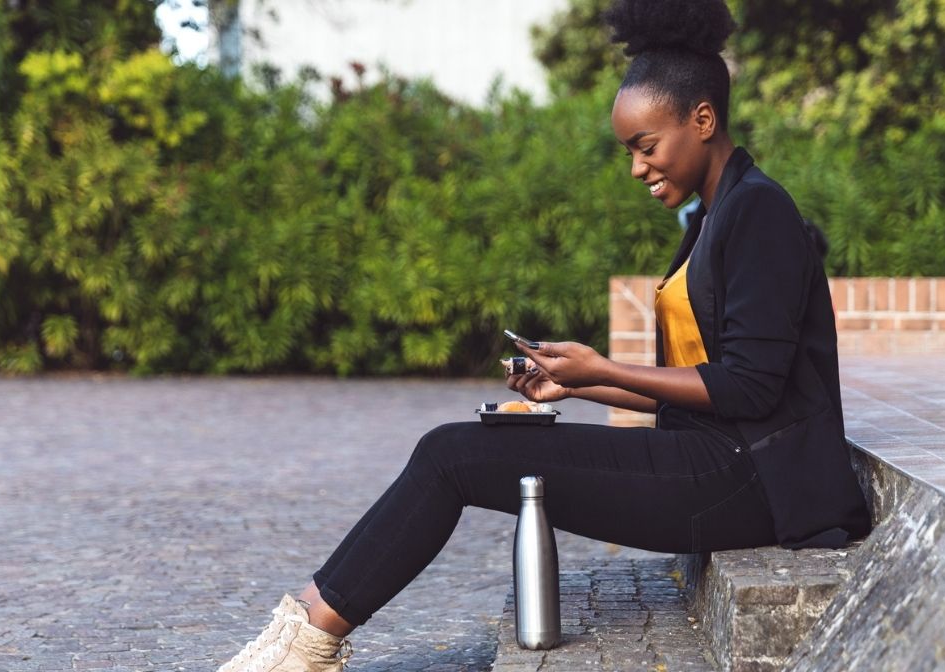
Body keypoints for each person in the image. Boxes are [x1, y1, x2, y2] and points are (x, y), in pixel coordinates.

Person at [218, 0, 871, 669]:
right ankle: (304, 630)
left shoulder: (760, 210)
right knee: (453, 450)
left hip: (751, 483)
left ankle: (307, 643)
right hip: (711, 461)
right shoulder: (716, 216)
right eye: (630, 153)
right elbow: (709, 389)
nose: (638, 169)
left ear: (703, 119)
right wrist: (578, 384)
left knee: (450, 456)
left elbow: (752, 386)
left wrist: (608, 371)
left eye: (647, 148)